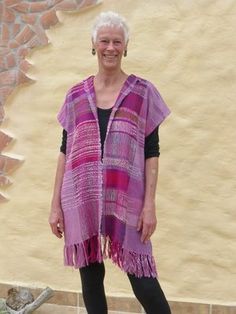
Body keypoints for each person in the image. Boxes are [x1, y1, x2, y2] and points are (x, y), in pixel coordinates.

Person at [49, 11, 171, 314]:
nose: (111, 47)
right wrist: (54, 205)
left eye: (117, 41)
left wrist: (149, 205)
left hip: (127, 198)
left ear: (126, 46)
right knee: (90, 277)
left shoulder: (142, 93)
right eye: (104, 41)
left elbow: (152, 151)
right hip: (81, 196)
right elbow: (65, 149)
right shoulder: (76, 95)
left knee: (142, 277)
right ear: (94, 44)